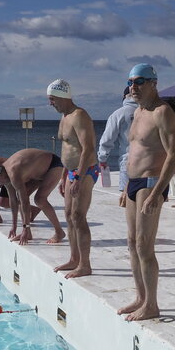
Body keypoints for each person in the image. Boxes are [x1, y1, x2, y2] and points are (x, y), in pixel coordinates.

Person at [118, 64, 175, 322]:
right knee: (132, 243)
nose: (134, 86)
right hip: (133, 183)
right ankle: (140, 297)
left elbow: (174, 155)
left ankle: (152, 304)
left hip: (150, 182)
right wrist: (125, 186)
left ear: (153, 83)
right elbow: (133, 152)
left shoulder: (162, 112)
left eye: (140, 81)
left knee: (144, 245)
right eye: (131, 82)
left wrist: (157, 192)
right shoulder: (138, 112)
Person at [48, 79, 98, 279]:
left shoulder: (79, 116)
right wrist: (64, 176)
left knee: (78, 216)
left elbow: (88, 148)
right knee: (69, 215)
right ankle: (74, 259)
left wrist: (77, 176)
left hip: (84, 171)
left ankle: (85, 265)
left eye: (52, 99)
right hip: (71, 172)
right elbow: (67, 149)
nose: (50, 103)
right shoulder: (64, 117)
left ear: (62, 96)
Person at [0, 148, 66, 246]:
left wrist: (25, 228)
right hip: (37, 172)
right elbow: (13, 201)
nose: (0, 185)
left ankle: (59, 232)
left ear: (0, 176)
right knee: (19, 198)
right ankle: (28, 234)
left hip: (53, 165)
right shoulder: (4, 173)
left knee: (39, 199)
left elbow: (25, 202)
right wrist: (14, 226)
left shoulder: (13, 173)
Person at [98, 87, 138, 208]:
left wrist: (102, 159)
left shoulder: (118, 114)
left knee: (128, 204)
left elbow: (107, 139)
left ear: (125, 97)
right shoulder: (149, 112)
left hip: (128, 162)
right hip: (150, 165)